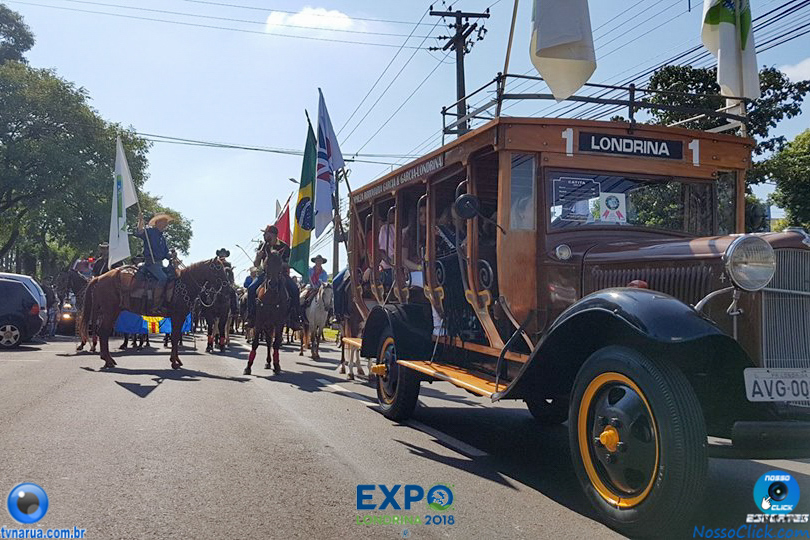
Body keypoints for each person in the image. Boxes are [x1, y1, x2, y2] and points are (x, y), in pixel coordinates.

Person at [246, 225, 300, 326]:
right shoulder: (262, 246)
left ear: (273, 235)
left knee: (295, 289)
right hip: (265, 274)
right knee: (251, 289)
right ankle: (251, 316)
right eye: (264, 234)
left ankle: (294, 318)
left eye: (266, 233)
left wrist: (277, 264)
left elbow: (290, 264)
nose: (264, 235)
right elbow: (256, 265)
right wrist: (258, 257)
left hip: (281, 274)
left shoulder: (284, 247)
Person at [134, 212, 174, 309]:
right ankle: (156, 305)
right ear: (157, 223)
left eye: (166, 223)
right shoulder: (150, 232)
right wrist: (140, 220)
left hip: (160, 264)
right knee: (163, 278)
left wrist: (172, 255)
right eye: (164, 222)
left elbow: (166, 254)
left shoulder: (162, 238)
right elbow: (140, 232)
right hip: (151, 263)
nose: (165, 225)